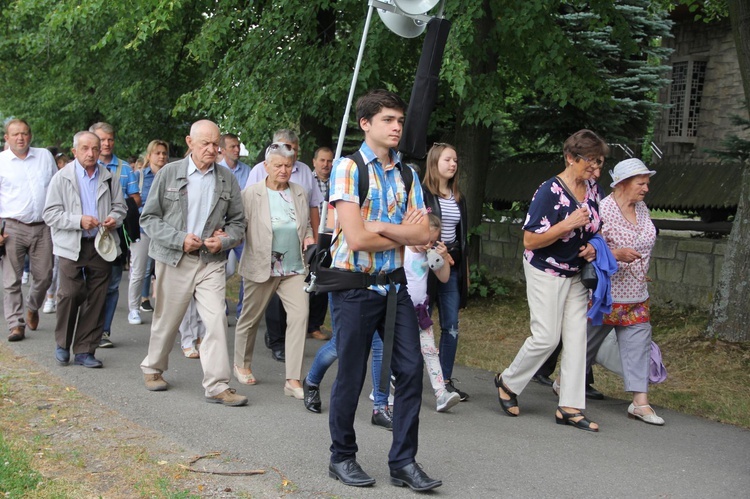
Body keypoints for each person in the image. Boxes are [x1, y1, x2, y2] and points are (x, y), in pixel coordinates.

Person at [326, 89, 440, 491]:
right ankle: (341, 457)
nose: (397, 127)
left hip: (395, 288)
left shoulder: (408, 173)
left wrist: (381, 227)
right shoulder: (348, 168)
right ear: (366, 124)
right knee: (352, 375)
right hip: (354, 288)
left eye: (399, 120)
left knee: (410, 372)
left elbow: (425, 232)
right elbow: (355, 239)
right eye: (388, 120)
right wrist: (401, 233)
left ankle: (403, 462)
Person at [494, 129, 607, 433]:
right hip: (546, 269)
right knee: (546, 337)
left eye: (599, 164)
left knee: (576, 339)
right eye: (590, 163)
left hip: (576, 273)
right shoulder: (549, 191)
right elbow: (530, 240)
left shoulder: (592, 187)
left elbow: (597, 225)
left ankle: (570, 407)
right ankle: (508, 381)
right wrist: (567, 225)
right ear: (571, 158)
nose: (596, 171)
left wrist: (594, 245)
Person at [139, 119, 247, 407]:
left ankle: (217, 385)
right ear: (190, 143)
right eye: (205, 144)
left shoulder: (226, 178)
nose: (212, 149)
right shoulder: (169, 173)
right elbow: (148, 218)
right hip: (176, 259)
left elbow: (238, 224)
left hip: (211, 262)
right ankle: (153, 368)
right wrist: (178, 238)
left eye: (216, 144)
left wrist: (223, 242)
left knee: (215, 321)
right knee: (167, 320)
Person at [585, 158, 664, 425]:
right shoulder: (603, 210)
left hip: (636, 296)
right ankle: (565, 382)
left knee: (639, 346)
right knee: (585, 347)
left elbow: (645, 239)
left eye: (647, 183)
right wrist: (616, 254)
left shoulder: (642, 209)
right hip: (605, 296)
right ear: (622, 184)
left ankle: (640, 404)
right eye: (641, 183)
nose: (646, 189)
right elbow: (587, 249)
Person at [233, 142, 314, 397]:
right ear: (266, 166)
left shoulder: (299, 192)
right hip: (261, 266)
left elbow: (306, 226)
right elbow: (238, 227)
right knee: (250, 318)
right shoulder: (252, 193)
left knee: (300, 317)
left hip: (294, 268)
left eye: (288, 166)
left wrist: (310, 239)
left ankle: (293, 379)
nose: (283, 170)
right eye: (278, 165)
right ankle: (241, 364)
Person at [43, 131, 126, 367]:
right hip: (71, 245)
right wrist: (78, 220)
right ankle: (62, 344)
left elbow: (121, 208)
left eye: (95, 149)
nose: (91, 153)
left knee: (97, 298)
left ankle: (85, 350)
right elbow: (49, 214)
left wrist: (113, 218)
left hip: (101, 243)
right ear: (75, 151)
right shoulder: (62, 177)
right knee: (69, 293)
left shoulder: (109, 177)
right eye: (85, 148)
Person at [246, 129, 323, 361]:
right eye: (281, 146)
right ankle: (276, 340)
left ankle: (291, 354)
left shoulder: (306, 173)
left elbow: (313, 205)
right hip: (267, 247)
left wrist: (316, 240)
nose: (286, 153)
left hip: (298, 245)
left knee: (297, 301)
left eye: (291, 147)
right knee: (271, 298)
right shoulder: (259, 170)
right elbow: (247, 207)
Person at [0, 119, 57, 341]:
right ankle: (15, 324)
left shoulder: (44, 156)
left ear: (30, 136)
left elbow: (55, 187)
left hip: (43, 226)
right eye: (15, 134)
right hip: (12, 226)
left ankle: (32, 306)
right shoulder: (2, 162)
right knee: (11, 279)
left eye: (24, 133)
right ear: (7, 138)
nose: (20, 138)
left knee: (44, 276)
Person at [421, 142, 470, 401]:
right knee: (421, 323)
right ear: (434, 163)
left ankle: (446, 380)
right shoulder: (423, 194)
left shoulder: (459, 198)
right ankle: (405, 375)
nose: (453, 164)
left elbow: (462, 239)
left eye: (455, 161)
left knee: (451, 326)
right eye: (447, 160)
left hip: (450, 266)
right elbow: (418, 230)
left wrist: (454, 256)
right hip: (427, 267)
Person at [89, 122, 141, 346]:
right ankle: (87, 327)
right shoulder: (85, 166)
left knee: (112, 283)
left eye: (110, 139)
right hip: (89, 233)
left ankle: (104, 332)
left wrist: (115, 209)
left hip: (115, 232)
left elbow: (136, 198)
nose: (107, 143)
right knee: (87, 282)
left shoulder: (124, 168)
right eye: (102, 140)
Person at [404, 214, 461, 412]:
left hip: (421, 311)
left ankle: (440, 393)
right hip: (401, 311)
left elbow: (444, 278)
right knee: (401, 352)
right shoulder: (402, 251)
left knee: (429, 350)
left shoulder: (430, 255)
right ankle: (386, 389)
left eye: (432, 241)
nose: (427, 244)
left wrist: (443, 258)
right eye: (424, 239)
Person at [126, 140, 168, 323]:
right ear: (149, 156)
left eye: (164, 153)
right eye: (157, 153)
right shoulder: (139, 176)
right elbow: (132, 202)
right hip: (142, 229)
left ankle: (163, 309)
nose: (161, 156)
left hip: (164, 230)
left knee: (163, 272)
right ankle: (133, 308)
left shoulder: (171, 175)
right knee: (139, 270)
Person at [308, 146, 334, 341]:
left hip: (331, 236)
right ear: (314, 162)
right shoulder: (307, 181)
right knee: (306, 280)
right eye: (322, 160)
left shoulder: (337, 182)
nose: (326, 165)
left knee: (323, 281)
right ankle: (298, 323)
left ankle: (314, 325)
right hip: (309, 235)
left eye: (329, 161)